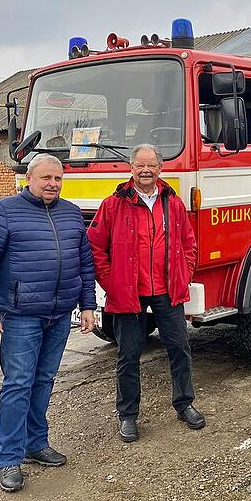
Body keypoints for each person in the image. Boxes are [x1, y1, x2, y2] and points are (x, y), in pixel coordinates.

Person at [0, 154, 96, 492]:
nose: (52, 184)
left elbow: (84, 263)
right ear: (30, 179)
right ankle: (9, 458)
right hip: (21, 315)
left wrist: (87, 305)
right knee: (18, 384)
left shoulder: (70, 213)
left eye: (58, 178)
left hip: (59, 314)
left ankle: (35, 444)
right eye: (46, 178)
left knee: (44, 380)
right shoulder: (4, 212)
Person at [87, 143, 204, 443]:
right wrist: (111, 282)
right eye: (140, 165)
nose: (146, 171)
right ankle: (128, 416)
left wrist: (183, 273)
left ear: (161, 168)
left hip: (167, 290)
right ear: (131, 168)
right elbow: (96, 246)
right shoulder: (113, 204)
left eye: (151, 165)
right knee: (128, 356)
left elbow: (188, 243)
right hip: (128, 293)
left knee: (179, 348)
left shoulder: (172, 202)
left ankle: (184, 404)